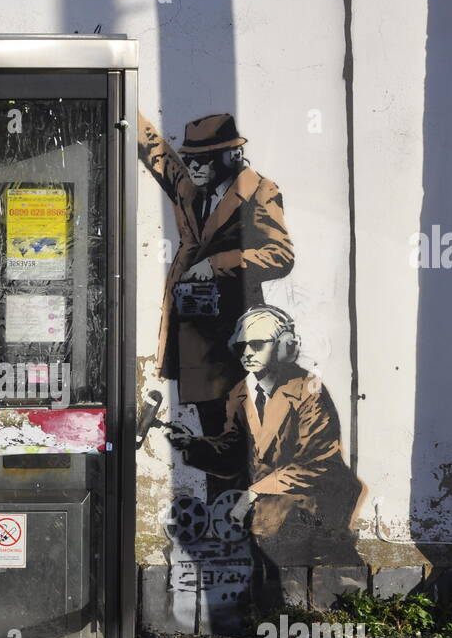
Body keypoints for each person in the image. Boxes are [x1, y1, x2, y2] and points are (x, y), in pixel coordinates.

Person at [138, 113, 295, 439]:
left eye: (204, 159)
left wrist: (217, 263)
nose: (194, 166)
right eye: (191, 159)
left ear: (231, 156)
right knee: (212, 424)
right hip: (192, 327)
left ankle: (238, 488)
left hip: (230, 329)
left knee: (231, 427)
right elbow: (157, 153)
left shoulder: (259, 192)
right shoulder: (191, 188)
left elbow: (280, 255)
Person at [169, 306, 361, 558]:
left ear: (285, 346)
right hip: (266, 513)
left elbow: (316, 463)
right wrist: (192, 445)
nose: (247, 354)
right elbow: (234, 450)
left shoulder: (309, 391)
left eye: (257, 345)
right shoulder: (240, 391)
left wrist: (255, 491)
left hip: (313, 510)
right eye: (241, 347)